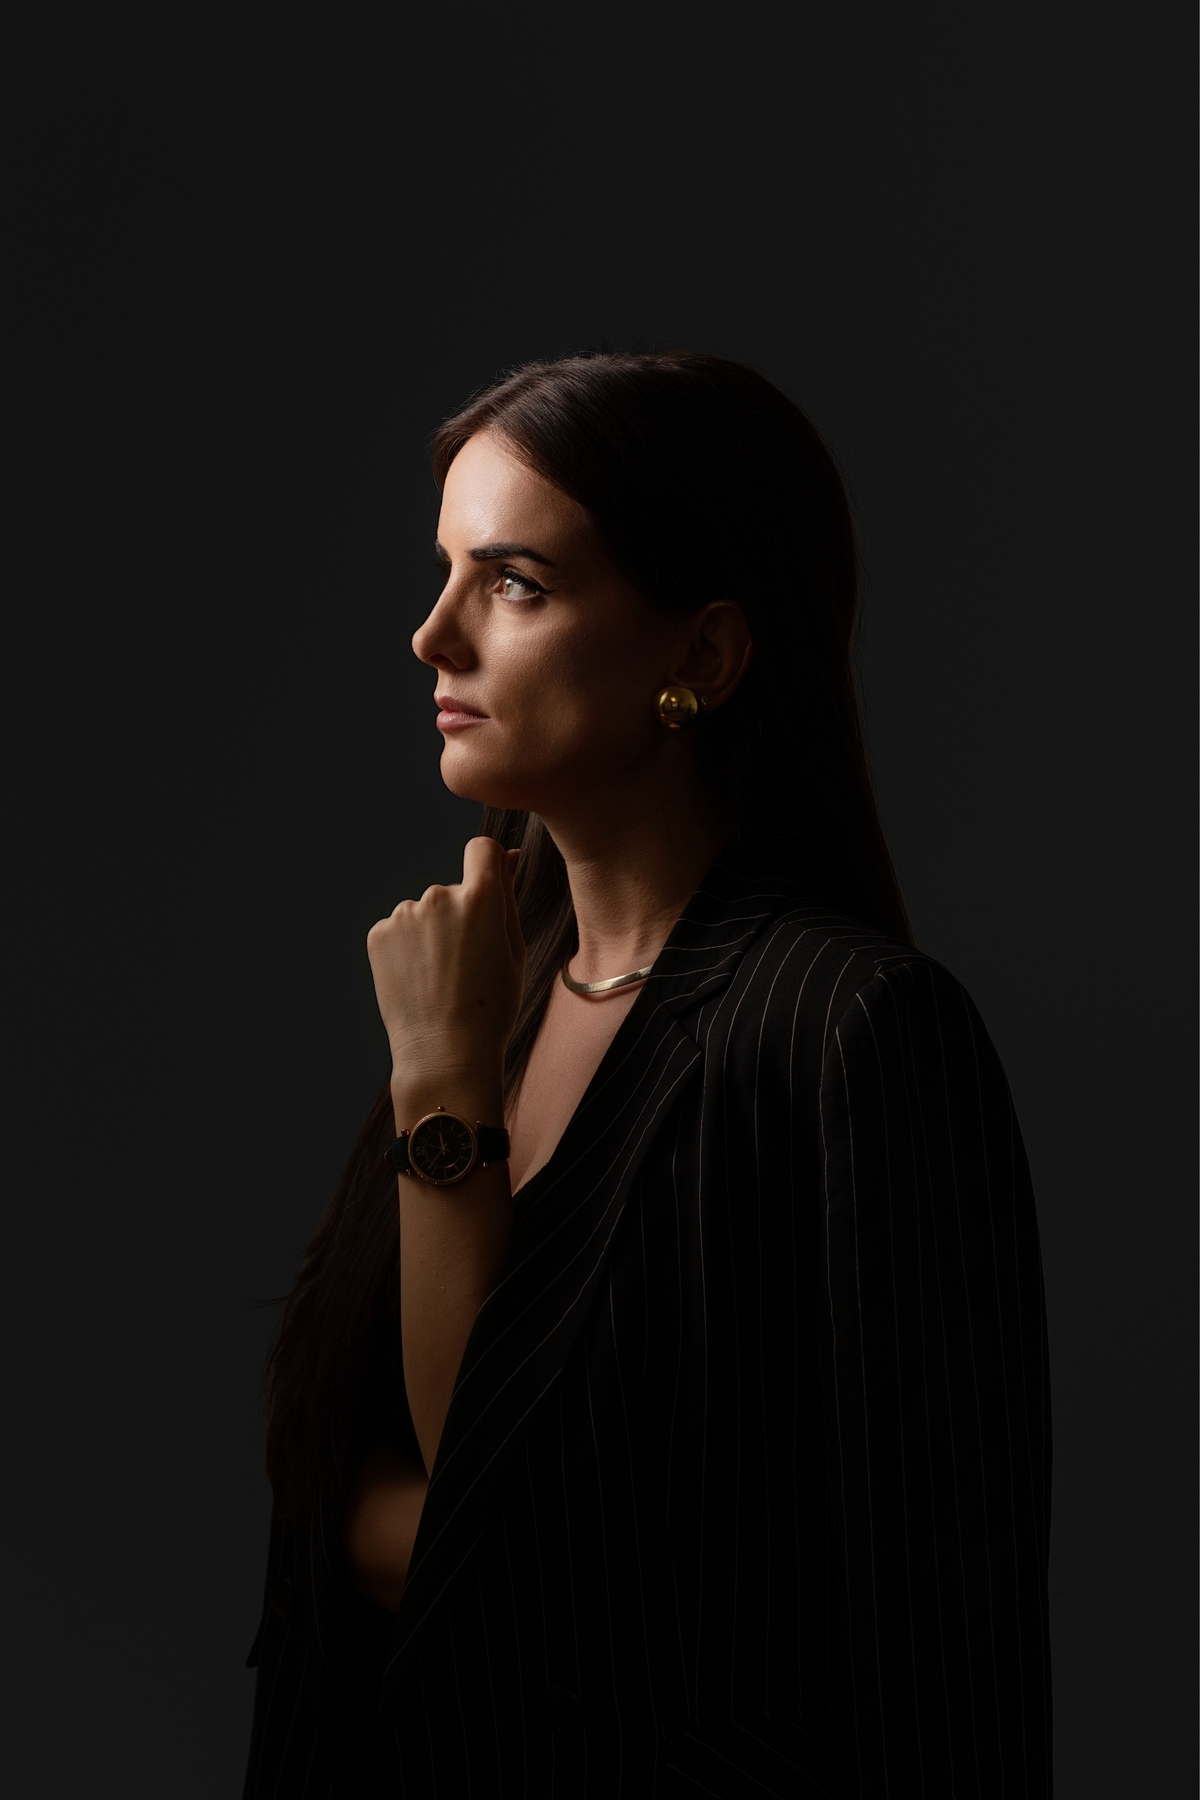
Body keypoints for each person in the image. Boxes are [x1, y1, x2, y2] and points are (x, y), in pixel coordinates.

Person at [242, 351, 1052, 1798]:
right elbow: (372, 1495)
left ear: (706, 658)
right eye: (445, 573)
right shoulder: (493, 990)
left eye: (515, 584)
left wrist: (440, 1091)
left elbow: (939, 1647)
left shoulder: (848, 1031)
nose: (432, 636)